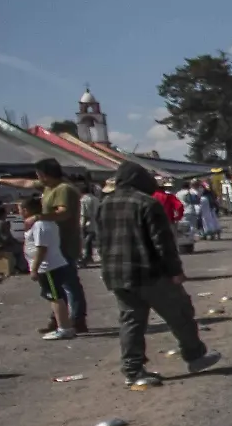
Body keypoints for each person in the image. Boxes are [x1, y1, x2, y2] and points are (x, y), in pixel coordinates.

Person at [95, 161, 222, 386]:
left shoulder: (104, 204)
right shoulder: (147, 203)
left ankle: (133, 370)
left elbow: (100, 241)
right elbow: (162, 243)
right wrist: (175, 271)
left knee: (131, 321)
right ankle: (195, 356)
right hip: (149, 272)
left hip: (117, 274)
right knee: (180, 313)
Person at [33, 159, 91, 335]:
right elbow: (25, 183)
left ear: (45, 175)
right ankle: (61, 320)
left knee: (69, 283)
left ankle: (76, 320)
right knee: (56, 284)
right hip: (55, 243)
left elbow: (63, 213)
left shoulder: (63, 189)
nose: (37, 179)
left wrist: (38, 217)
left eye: (39, 175)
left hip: (65, 243)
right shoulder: (49, 187)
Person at [23, 196, 76, 340]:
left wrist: (34, 268)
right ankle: (63, 325)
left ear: (26, 210)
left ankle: (64, 328)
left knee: (55, 297)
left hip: (49, 267)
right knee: (55, 297)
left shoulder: (41, 225)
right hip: (49, 267)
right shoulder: (42, 224)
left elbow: (42, 249)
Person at [79, 185, 101, 263]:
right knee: (91, 239)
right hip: (96, 221)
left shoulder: (83, 200)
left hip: (87, 222)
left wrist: (82, 225)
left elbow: (84, 214)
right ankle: (89, 256)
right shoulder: (96, 199)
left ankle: (86, 256)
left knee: (86, 240)